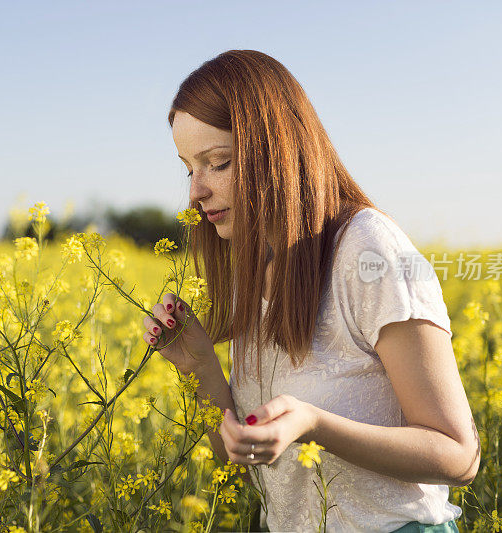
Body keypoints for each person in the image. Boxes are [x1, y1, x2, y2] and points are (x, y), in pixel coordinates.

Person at [142, 50, 479, 532]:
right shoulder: (253, 266)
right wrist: (200, 368)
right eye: (188, 168)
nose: (196, 191)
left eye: (218, 163)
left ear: (277, 150)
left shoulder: (369, 250)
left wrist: (314, 423)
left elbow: (459, 455)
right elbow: (245, 455)